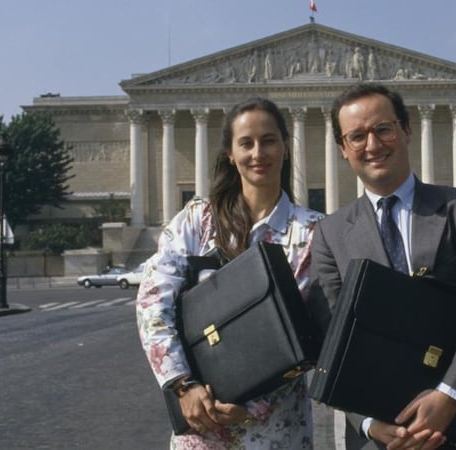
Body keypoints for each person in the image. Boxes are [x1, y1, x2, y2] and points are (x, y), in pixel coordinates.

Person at [308, 83, 456, 449]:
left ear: (406, 131)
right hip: (382, 437)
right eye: (357, 136)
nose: (373, 145)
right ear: (343, 150)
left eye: (383, 129)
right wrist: (368, 422)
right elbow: (330, 338)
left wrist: (450, 394)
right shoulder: (330, 234)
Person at [136, 98, 324, 449]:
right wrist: (183, 384)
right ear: (229, 153)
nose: (258, 153)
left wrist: (252, 403)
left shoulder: (313, 233)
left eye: (269, 140)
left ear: (285, 145)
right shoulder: (197, 220)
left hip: (278, 430)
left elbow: (311, 334)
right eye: (246, 143)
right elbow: (152, 301)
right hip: (200, 422)